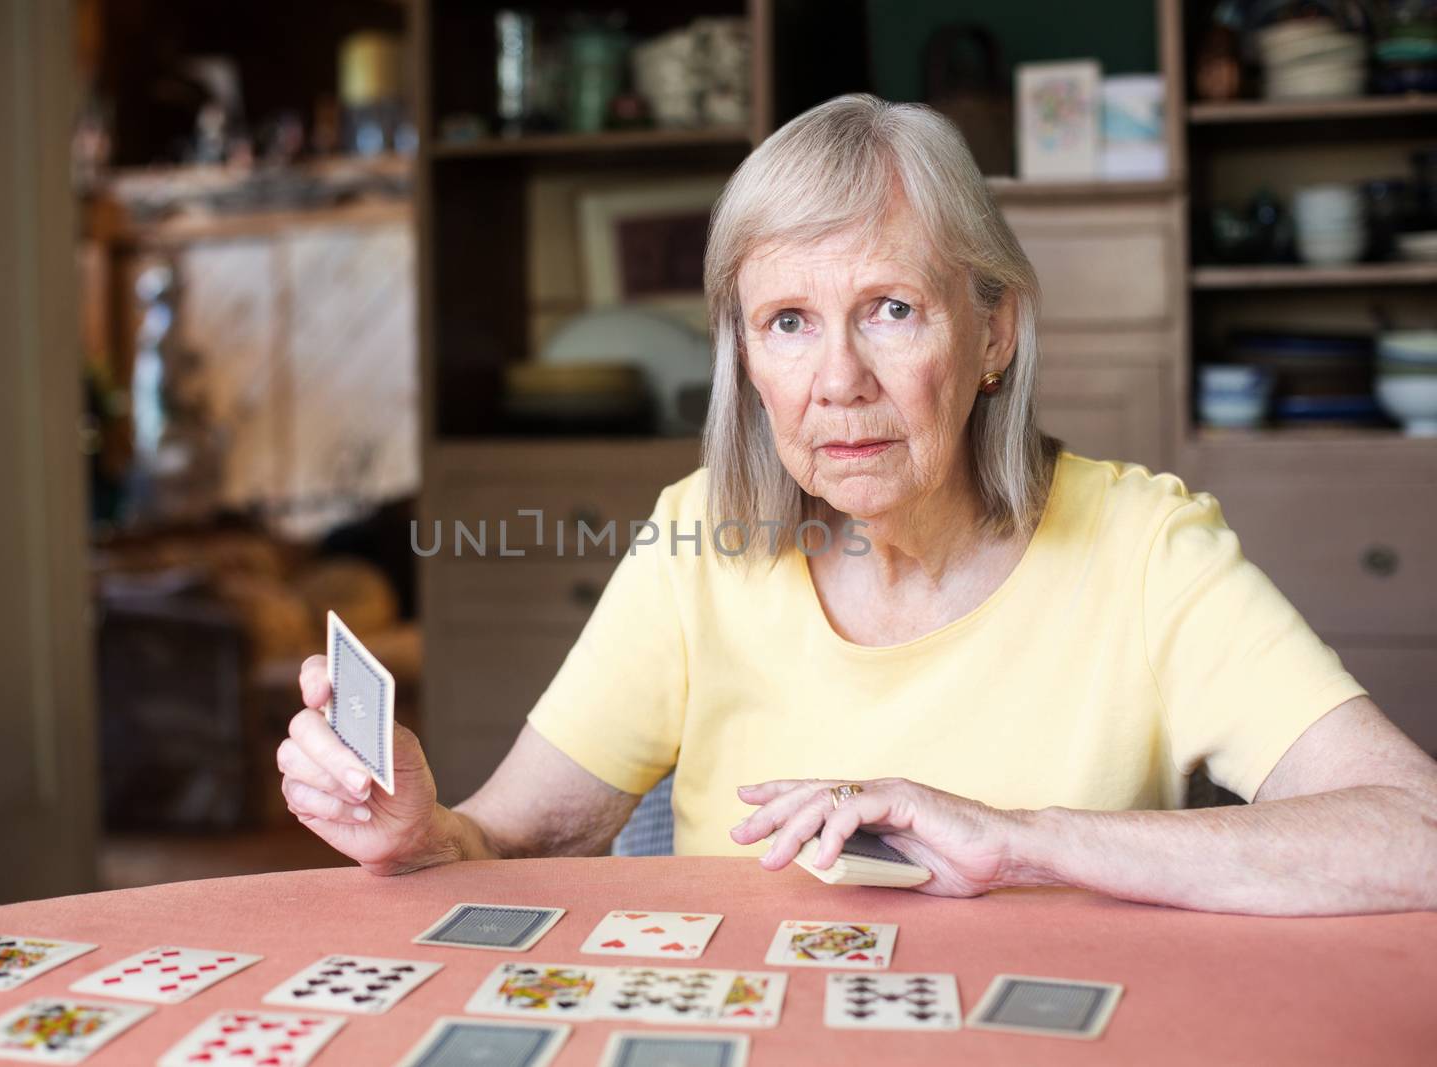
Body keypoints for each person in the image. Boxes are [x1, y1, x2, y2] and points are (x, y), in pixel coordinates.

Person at [276, 95, 1437, 916]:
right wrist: (419, 832)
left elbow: (1415, 833)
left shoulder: (1145, 551)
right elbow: (509, 836)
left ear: (993, 331)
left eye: (890, 308)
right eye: (788, 322)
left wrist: (1020, 841)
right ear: (745, 355)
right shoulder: (698, 540)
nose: (838, 381)